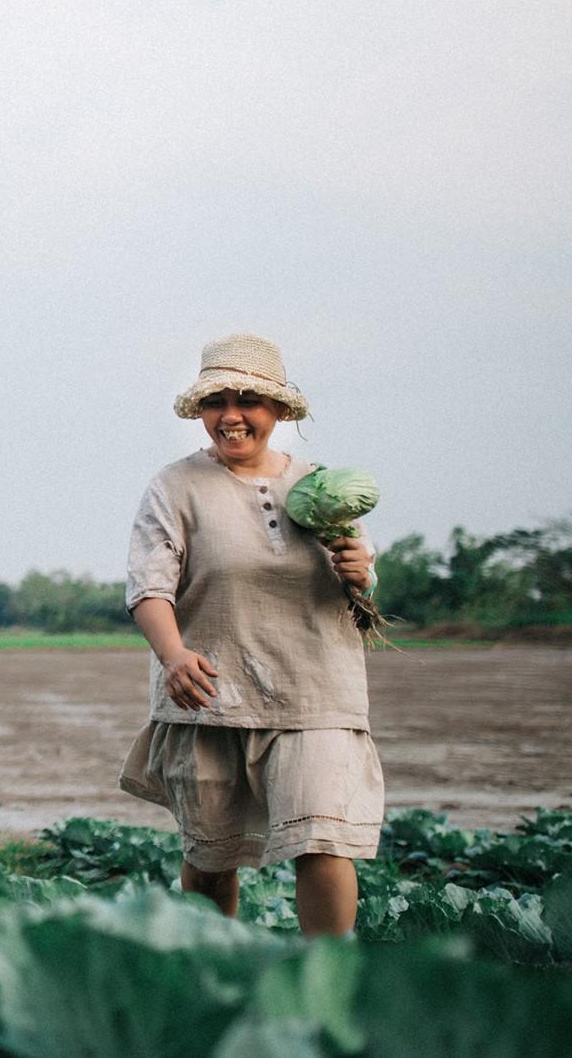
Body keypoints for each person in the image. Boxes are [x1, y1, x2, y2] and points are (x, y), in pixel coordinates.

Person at [118, 333, 380, 936]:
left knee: (322, 842)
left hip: (315, 694)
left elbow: (363, 584)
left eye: (248, 401)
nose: (231, 416)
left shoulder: (323, 489)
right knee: (211, 861)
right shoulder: (175, 486)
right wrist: (174, 653)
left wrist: (360, 572)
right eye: (217, 403)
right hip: (211, 695)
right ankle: (215, 978)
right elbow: (149, 587)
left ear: (280, 412)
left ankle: (326, 983)